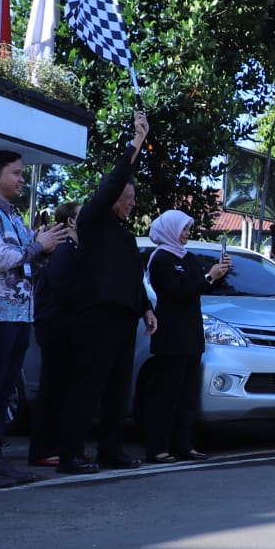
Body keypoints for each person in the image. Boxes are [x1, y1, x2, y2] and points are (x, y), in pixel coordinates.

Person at [57, 112, 158, 474]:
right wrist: (136, 144)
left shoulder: (125, 234)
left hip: (124, 316)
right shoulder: (94, 220)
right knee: (88, 387)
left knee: (118, 388)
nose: (131, 202)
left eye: (133, 197)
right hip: (96, 316)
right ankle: (70, 454)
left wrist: (146, 308)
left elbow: (134, 276)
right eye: (126, 196)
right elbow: (115, 180)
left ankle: (110, 450)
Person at [0, 149, 67, 490]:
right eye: (17, 173)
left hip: (18, 313)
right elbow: (3, 258)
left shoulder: (12, 215)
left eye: (23, 174)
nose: (22, 179)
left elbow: (24, 262)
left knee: (3, 392)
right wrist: (39, 245)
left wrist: (42, 248)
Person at [142, 209, 232, 463]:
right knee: (166, 393)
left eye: (188, 228)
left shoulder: (187, 257)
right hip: (171, 332)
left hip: (191, 332)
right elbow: (177, 292)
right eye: (183, 228)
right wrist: (208, 276)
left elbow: (199, 287)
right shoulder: (160, 259)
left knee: (187, 393)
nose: (187, 233)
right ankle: (158, 446)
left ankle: (184, 444)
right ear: (170, 229)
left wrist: (218, 275)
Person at [27, 202, 81, 467]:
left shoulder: (75, 250)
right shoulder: (62, 251)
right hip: (56, 326)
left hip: (65, 326)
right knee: (52, 388)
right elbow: (64, 289)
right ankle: (42, 449)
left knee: (64, 388)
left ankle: (61, 446)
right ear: (71, 222)